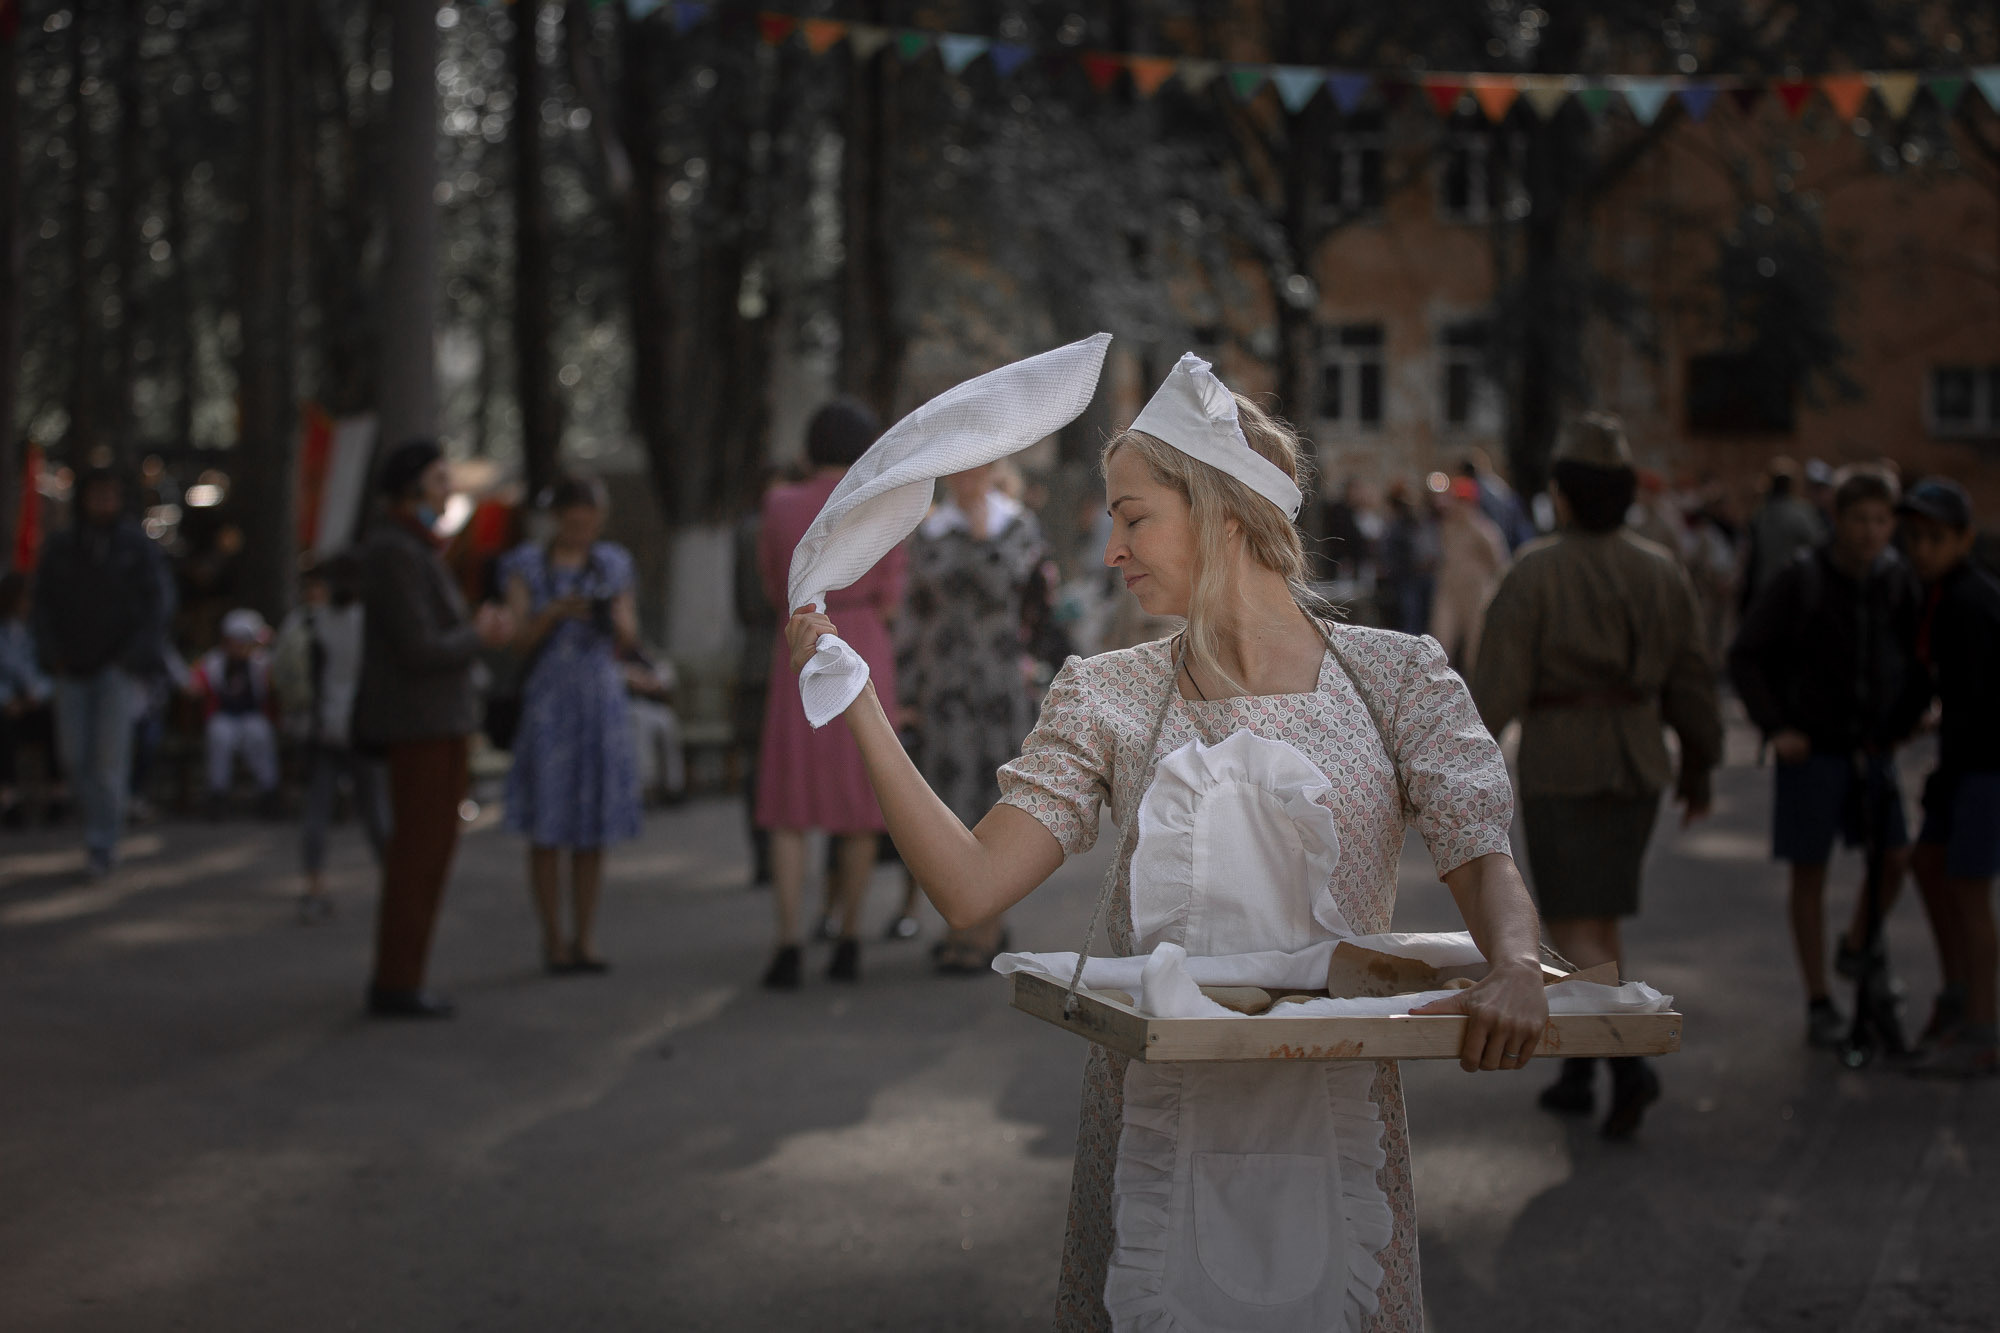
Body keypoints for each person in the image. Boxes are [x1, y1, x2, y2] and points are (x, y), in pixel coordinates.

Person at [786, 354, 1545, 1330]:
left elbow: (1480, 853)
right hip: (1153, 1129)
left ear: (1224, 511)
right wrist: (860, 705)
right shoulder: (1107, 693)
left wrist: (1516, 962)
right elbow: (971, 890)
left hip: (1333, 1127)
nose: (1110, 547)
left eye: (1132, 515)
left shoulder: (1396, 678)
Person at [1471, 413, 1722, 1136]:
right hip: (1639, 760)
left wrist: (1448, 777)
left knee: (1575, 923)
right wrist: (1699, 763)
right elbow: (1694, 680)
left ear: (1566, 494)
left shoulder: (1534, 572)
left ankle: (1625, 1062)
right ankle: (1580, 1063)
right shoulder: (1661, 570)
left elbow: (1491, 696)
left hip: (1564, 762)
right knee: (1597, 919)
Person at [1728, 466, 1929, 1046]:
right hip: (1812, 751)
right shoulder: (1803, 579)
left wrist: (1909, 717)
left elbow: (1914, 660)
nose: (1871, 532)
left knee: (1894, 859)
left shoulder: (1897, 581)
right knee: (1808, 873)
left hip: (1874, 749)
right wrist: (1777, 727)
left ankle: (1857, 944)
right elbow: (1747, 656)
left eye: (1881, 520)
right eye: (1860, 519)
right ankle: (1818, 997)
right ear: (1837, 519)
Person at [352, 440, 515, 1019]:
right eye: (440, 478)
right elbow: (419, 646)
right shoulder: (396, 551)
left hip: (438, 721)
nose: (448, 489)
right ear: (412, 486)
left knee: (431, 851)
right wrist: (480, 634)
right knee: (416, 855)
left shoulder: (416, 548)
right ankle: (396, 979)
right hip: (418, 723)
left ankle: (406, 973)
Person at [755, 401, 905, 989]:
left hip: (801, 640)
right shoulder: (880, 507)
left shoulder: (778, 505)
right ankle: (848, 939)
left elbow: (775, 586)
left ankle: (789, 941)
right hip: (863, 639)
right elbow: (892, 595)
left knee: (789, 807)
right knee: (860, 803)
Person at [892, 461, 1046, 970]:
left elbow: (1011, 583)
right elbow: (913, 612)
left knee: (996, 805)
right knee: (949, 803)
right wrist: (906, 689)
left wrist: (983, 532)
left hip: (998, 684)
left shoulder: (1016, 522)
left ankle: (988, 928)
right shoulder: (931, 529)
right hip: (944, 689)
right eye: (961, 467)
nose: (969, 476)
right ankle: (962, 923)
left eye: (981, 467)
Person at [499, 474, 642, 975]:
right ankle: (552, 938)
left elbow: (628, 635)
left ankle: (585, 936)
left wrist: (605, 613)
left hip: (598, 700)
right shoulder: (524, 566)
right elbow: (517, 641)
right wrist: (555, 612)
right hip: (549, 704)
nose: (582, 530)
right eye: (574, 521)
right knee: (548, 823)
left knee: (591, 828)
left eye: (591, 522)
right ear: (558, 518)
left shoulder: (613, 564)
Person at [1897, 479, 2000, 1077]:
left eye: (1936, 538)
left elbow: (1978, 704)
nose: (1921, 549)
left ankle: (1983, 1026)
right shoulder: (1937, 596)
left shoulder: (1973, 602)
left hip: (1983, 765)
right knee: (1929, 865)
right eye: (1915, 538)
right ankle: (1958, 993)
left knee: (1970, 891)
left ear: (1965, 538)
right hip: (1961, 764)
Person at [33, 465, 167, 877]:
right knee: (75, 758)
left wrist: (131, 658)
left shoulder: (136, 548)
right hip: (69, 668)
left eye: (110, 495)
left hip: (116, 668)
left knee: (109, 762)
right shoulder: (61, 546)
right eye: (96, 495)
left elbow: (157, 605)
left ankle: (102, 843)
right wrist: (52, 654)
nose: (103, 503)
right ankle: (95, 828)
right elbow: (42, 605)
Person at [272, 556, 388, 923]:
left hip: (317, 727)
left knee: (317, 811)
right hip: (361, 729)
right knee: (376, 813)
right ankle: (396, 886)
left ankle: (313, 887)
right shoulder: (368, 624)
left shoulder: (307, 622)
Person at [188, 609, 281, 817]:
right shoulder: (212, 662)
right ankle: (217, 794)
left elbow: (277, 683)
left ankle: (269, 792)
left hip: (252, 715)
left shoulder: (262, 662)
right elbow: (194, 685)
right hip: (224, 716)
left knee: (260, 735)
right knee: (219, 736)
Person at [0, 571, 65, 826]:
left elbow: (48, 674)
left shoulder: (35, 633)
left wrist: (32, 695)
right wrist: (7, 700)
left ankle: (57, 794)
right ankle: (8, 798)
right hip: (6, 707)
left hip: (31, 703)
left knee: (51, 721)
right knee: (3, 728)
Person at [1427, 476, 1508, 671]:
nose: (1459, 506)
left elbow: (1499, 563)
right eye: (1457, 500)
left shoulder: (1484, 529)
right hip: (1450, 592)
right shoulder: (1446, 526)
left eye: (1464, 501)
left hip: (1476, 593)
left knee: (1476, 648)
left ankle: (1478, 693)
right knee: (1439, 643)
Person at [1740, 458, 1825, 608]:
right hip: (1791, 585)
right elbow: (1818, 544)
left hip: (1770, 584)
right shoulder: (1800, 512)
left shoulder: (1760, 514)